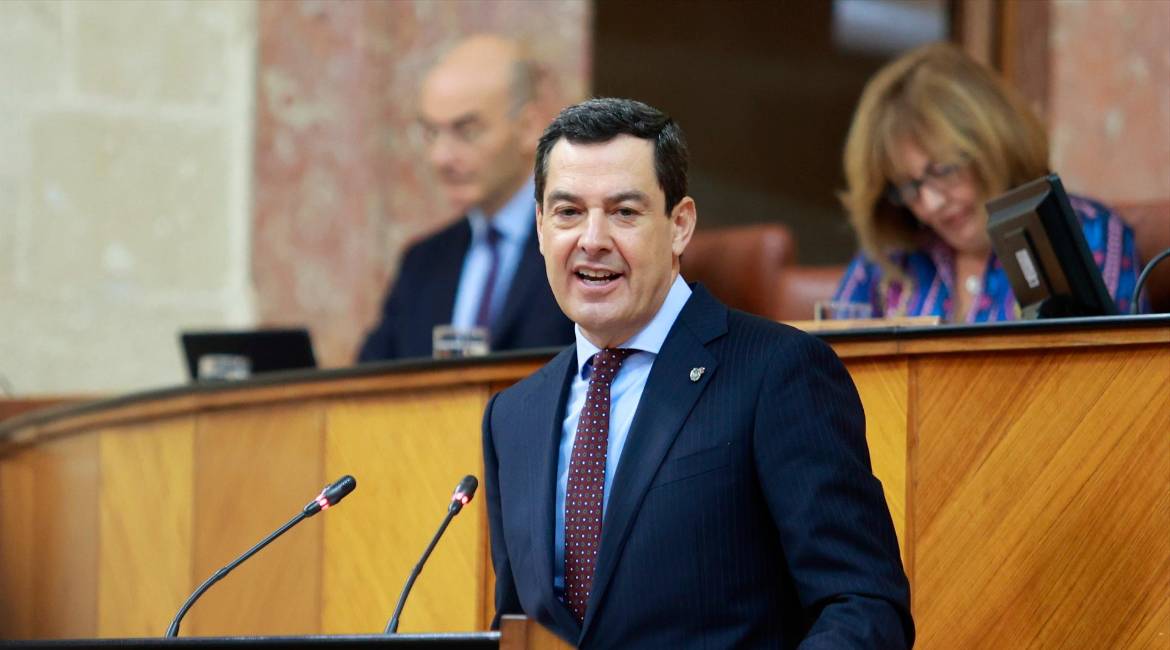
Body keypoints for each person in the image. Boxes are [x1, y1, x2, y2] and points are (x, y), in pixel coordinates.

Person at [483, 98, 913, 648]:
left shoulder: (778, 373)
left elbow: (862, 605)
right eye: (568, 212)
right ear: (541, 227)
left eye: (624, 212)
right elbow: (519, 627)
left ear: (680, 225)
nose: (592, 239)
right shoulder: (512, 417)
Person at [833, 42, 1144, 321]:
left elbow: (1111, 376)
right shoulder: (891, 256)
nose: (931, 203)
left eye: (943, 170)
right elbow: (824, 371)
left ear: (993, 145)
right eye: (909, 186)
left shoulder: (1087, 233)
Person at [358, 35, 573, 361]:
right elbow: (365, 387)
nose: (441, 157)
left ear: (528, 127)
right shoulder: (423, 263)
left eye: (467, 130)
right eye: (431, 133)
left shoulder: (578, 245)